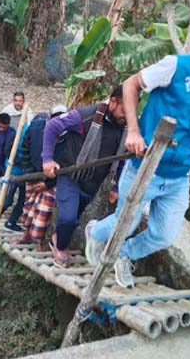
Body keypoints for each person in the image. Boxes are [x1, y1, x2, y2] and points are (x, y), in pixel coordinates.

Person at [85, 12, 190, 287]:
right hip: (145, 166)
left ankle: (123, 255)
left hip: (180, 175)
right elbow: (131, 84)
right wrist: (134, 132)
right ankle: (95, 232)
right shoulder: (178, 67)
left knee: (164, 235)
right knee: (125, 222)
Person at [43, 87, 127, 268]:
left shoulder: (125, 129)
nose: (126, 116)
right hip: (71, 176)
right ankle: (60, 247)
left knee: (74, 220)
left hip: (93, 184)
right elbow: (52, 126)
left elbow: (121, 160)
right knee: (67, 217)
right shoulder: (87, 115)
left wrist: (115, 187)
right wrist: (47, 159)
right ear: (113, 102)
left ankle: (58, 237)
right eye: (123, 111)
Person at [9, 105, 67, 249]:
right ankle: (26, 235)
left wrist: (47, 183)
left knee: (44, 210)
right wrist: (30, 174)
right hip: (33, 174)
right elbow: (25, 150)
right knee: (28, 206)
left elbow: (67, 162)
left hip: (51, 180)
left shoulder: (68, 137)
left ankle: (39, 241)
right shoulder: (35, 128)